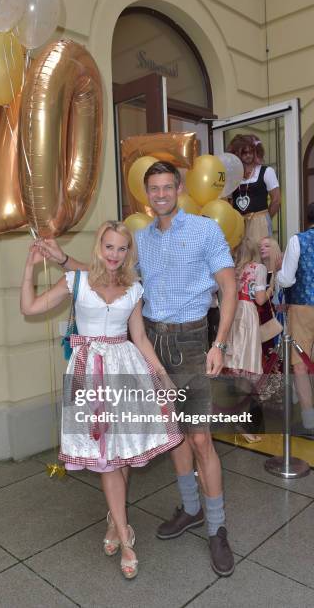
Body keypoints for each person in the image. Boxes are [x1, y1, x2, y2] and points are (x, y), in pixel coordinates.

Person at [38, 161, 237, 577]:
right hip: (147, 341)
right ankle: (191, 509)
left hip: (190, 341)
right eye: (154, 188)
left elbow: (229, 287)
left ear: (179, 188)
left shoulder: (204, 230)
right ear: (146, 194)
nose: (161, 194)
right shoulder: (140, 240)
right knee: (173, 436)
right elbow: (106, 275)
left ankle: (218, 530)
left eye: (168, 186)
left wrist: (219, 343)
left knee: (200, 438)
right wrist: (62, 260)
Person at [20, 220, 183, 580]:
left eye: (122, 248)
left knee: (119, 452)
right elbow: (30, 308)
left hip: (125, 369)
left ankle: (114, 519)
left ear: (129, 252)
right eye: (109, 247)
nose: (114, 254)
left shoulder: (134, 289)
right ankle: (126, 539)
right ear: (99, 247)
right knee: (107, 460)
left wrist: (162, 377)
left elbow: (140, 338)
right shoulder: (75, 281)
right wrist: (30, 267)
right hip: (88, 374)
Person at [223, 237, 269, 442]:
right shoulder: (257, 268)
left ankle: (237, 417)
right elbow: (259, 299)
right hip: (248, 314)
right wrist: (271, 288)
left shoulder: (231, 269)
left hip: (233, 314)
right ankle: (244, 422)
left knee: (237, 367)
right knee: (249, 366)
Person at [277, 203, 314, 437]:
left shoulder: (298, 240)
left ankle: (309, 421)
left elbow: (287, 280)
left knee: (301, 365)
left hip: (303, 307)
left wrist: (279, 273)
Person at [227, 134, 281, 249]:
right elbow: (229, 203)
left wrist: (265, 219)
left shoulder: (266, 171)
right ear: (237, 154)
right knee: (240, 257)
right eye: (244, 152)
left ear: (257, 152)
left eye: (251, 151)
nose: (248, 155)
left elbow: (276, 200)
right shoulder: (234, 175)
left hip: (260, 223)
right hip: (239, 225)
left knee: (262, 256)